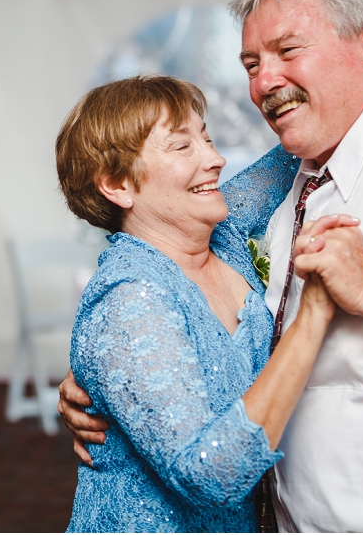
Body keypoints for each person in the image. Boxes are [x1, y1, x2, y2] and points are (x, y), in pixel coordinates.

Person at [61, 0, 363, 532]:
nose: (262, 81)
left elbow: (348, 122)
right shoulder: (282, 189)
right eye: (250, 63)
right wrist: (121, 380)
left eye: (288, 51)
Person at [58, 75, 344, 531]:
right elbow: (208, 476)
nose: (215, 159)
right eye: (181, 147)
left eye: (206, 138)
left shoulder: (224, 238)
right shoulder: (129, 296)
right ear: (117, 185)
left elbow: (313, 142)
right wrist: (313, 314)